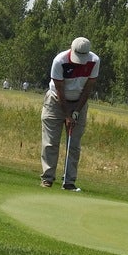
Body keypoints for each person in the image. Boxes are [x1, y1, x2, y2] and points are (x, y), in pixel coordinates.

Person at [40, 36, 100, 191]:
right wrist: (67, 115)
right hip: (55, 101)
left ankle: (69, 181)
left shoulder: (94, 61)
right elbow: (59, 89)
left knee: (74, 144)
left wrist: (76, 112)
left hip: (79, 102)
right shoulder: (60, 60)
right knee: (51, 142)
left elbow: (88, 88)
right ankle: (47, 178)